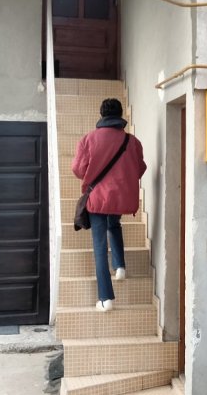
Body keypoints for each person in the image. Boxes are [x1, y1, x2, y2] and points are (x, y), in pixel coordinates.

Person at [72, 98, 146, 312]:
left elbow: (78, 169)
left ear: (102, 114)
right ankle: (120, 266)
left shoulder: (88, 139)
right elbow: (140, 168)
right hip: (120, 197)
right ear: (120, 114)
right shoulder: (132, 141)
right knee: (114, 224)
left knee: (99, 247)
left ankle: (105, 299)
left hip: (97, 198)